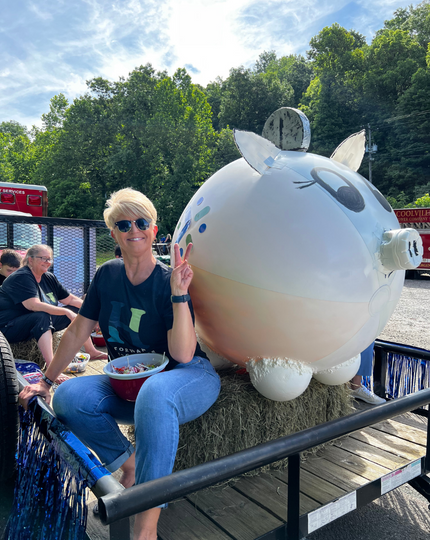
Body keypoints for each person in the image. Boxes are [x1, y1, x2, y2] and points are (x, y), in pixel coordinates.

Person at [19, 188, 221, 540]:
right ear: (113, 233)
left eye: (142, 222)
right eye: (123, 224)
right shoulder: (107, 275)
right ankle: (129, 465)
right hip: (132, 385)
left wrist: (178, 292)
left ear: (154, 230)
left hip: (186, 377)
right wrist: (47, 382)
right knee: (70, 398)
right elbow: (79, 328)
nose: (133, 230)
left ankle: (146, 528)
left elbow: (185, 353)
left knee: (157, 394)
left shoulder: (165, 280)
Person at [0, 245, 107, 382]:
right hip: (7, 327)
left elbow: (70, 299)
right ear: (30, 260)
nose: (47, 262)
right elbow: (33, 305)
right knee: (42, 316)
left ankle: (91, 351)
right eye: (43, 258)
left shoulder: (48, 277)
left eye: (49, 259)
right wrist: (66, 311)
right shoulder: (22, 276)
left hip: (29, 323)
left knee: (80, 311)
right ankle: (51, 369)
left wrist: (97, 311)